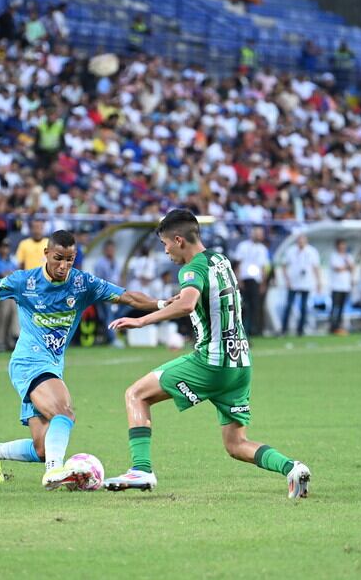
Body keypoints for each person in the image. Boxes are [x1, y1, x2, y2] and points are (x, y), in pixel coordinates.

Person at [0, 230, 163, 490]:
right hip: (29, 362)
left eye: (70, 260)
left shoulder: (83, 283)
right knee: (64, 411)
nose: (64, 266)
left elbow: (129, 296)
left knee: (41, 448)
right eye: (58, 258)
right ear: (47, 254)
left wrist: (163, 303)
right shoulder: (24, 282)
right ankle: (54, 471)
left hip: (52, 366)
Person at [104, 210, 311, 498]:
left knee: (136, 394)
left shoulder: (191, 269)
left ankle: (140, 469)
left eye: (165, 244)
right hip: (240, 363)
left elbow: (188, 304)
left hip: (211, 362)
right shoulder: (220, 260)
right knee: (236, 444)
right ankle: (292, 468)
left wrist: (141, 320)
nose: (165, 251)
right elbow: (200, 298)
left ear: (179, 240)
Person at [280, 234, 321, 336]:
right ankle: (284, 329)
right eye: (299, 240)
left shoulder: (312, 251)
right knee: (289, 306)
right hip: (293, 282)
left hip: (306, 282)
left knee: (303, 307)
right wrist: (287, 280)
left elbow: (316, 267)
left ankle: (300, 330)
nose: (301, 243)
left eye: (303, 240)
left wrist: (318, 281)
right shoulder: (291, 251)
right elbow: (284, 266)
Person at [233, 227, 270, 337]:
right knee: (243, 306)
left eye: (260, 234)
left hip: (256, 281)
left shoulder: (263, 249)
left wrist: (263, 283)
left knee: (255, 306)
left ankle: (252, 330)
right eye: (257, 233)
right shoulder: (243, 246)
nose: (259, 236)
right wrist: (238, 280)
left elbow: (263, 267)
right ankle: (241, 330)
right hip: (244, 279)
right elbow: (238, 264)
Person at [0, 237, 19, 351]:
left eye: (7, 247)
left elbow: (15, 273)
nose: (5, 249)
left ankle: (9, 342)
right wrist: (12, 274)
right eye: (3, 246)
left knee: (12, 315)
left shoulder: (10, 260)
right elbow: (3, 274)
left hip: (10, 293)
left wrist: (12, 274)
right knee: (0, 316)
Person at [94, 240, 121, 345]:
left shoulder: (115, 262)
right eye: (109, 249)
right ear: (105, 250)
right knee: (108, 316)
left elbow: (118, 279)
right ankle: (112, 339)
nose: (111, 251)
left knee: (115, 314)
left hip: (116, 295)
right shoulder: (100, 263)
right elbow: (99, 281)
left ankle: (111, 336)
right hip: (104, 295)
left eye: (112, 249)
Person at [328, 239, 354, 335]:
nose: (343, 247)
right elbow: (338, 268)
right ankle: (332, 326)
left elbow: (352, 268)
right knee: (335, 307)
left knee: (342, 308)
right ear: (337, 246)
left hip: (346, 287)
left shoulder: (348, 256)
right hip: (336, 286)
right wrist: (347, 266)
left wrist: (347, 266)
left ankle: (338, 327)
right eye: (341, 245)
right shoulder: (334, 256)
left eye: (344, 245)